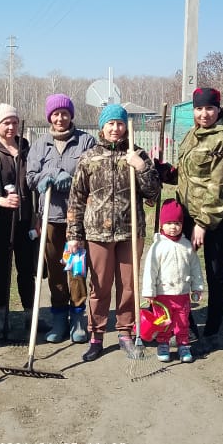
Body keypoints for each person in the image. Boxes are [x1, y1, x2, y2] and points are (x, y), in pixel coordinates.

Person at [67, 104, 161, 362]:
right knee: (99, 286)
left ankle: (125, 333)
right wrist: (74, 234)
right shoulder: (89, 158)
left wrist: (141, 167)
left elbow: (154, 194)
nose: (115, 128)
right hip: (97, 232)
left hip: (130, 232)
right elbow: (76, 199)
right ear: (102, 127)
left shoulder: (137, 154)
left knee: (129, 286)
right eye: (110, 124)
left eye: (119, 123)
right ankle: (96, 335)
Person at [158, 87, 223, 353]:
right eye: (199, 109)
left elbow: (220, 186)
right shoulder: (192, 135)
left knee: (215, 274)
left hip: (218, 219)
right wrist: (164, 171)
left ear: (218, 110)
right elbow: (187, 175)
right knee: (179, 271)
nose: (203, 114)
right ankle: (186, 327)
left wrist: (204, 224)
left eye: (209, 109)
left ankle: (213, 331)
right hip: (189, 215)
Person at [25, 94, 96, 344]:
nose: (60, 118)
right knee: (55, 269)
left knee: (76, 268)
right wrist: (51, 173)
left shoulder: (85, 141)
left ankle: (78, 316)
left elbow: (92, 174)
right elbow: (31, 177)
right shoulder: (40, 144)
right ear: (49, 117)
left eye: (64, 113)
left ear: (71, 115)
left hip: (76, 217)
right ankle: (58, 316)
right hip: (51, 218)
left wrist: (70, 176)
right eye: (55, 114)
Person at [0, 103, 38, 339]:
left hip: (25, 222)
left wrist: (36, 216)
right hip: (1, 223)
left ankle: (29, 315)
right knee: (1, 269)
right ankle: (1, 316)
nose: (10, 126)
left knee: (26, 269)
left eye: (14, 122)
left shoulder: (26, 150)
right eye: (6, 123)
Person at [140, 199, 204, 363]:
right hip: (162, 295)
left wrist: (197, 287)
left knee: (182, 321)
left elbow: (195, 268)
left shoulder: (187, 246)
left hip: (182, 294)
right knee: (164, 322)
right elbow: (150, 270)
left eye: (176, 223)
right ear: (162, 225)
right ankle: (163, 344)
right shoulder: (158, 247)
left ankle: (183, 345)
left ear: (182, 224)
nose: (173, 227)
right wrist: (149, 291)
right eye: (169, 223)